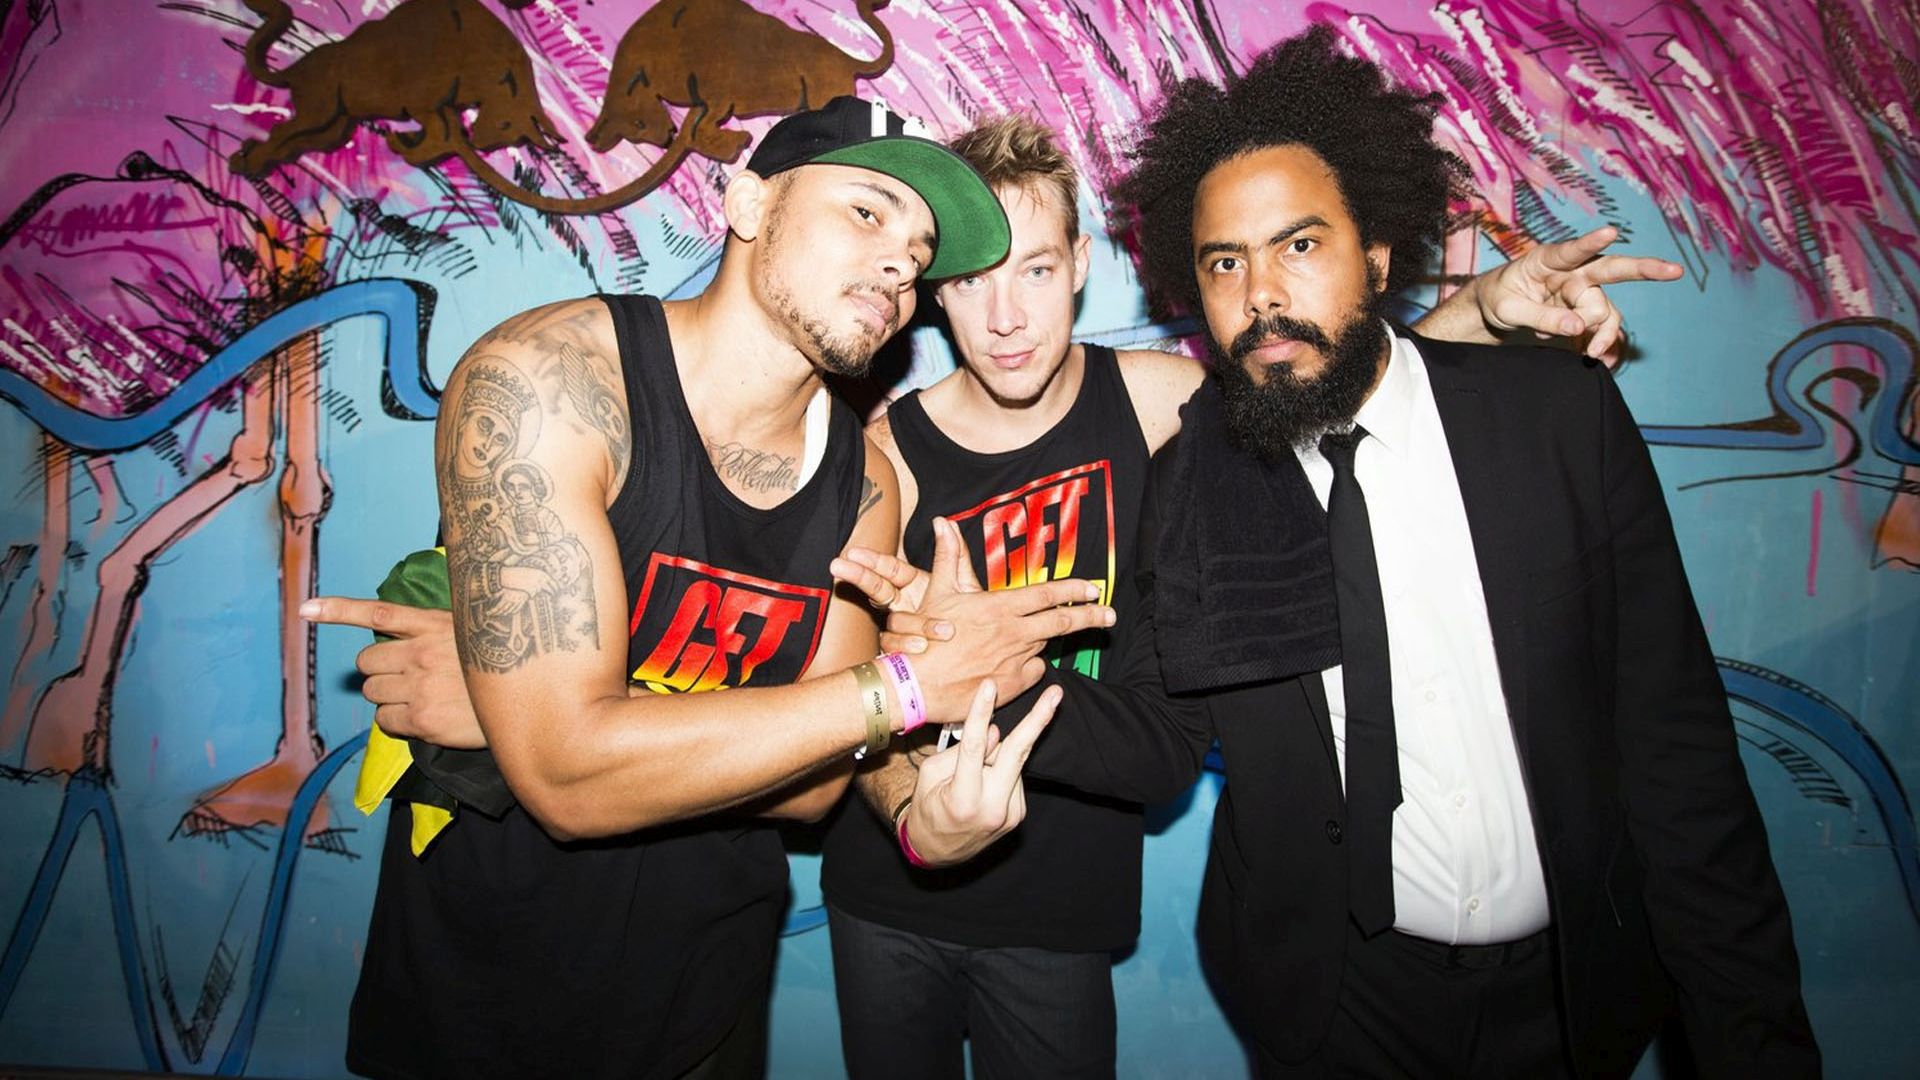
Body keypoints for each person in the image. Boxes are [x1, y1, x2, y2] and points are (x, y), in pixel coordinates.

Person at [818, 114, 1689, 1080]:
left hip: (1063, 899)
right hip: (892, 892)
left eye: (1034, 269)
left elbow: (1317, 378)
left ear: (1079, 266)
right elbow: (850, 697)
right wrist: (914, 818)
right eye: (972, 281)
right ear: (937, 291)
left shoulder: (1159, 401)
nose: (1006, 317)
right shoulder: (887, 455)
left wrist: (1478, 313)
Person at [307, 95, 1118, 1080]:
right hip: (478, 989)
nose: (902, 265)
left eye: (919, 249)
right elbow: (568, 779)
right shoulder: (550, 380)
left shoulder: (865, 485)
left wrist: (525, 702)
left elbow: (815, 787)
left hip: (706, 1002)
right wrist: (897, 691)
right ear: (749, 203)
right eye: (867, 212)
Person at [1098, 27, 1818, 1076]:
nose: (1261, 294)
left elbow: (1678, 753)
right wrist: (954, 688)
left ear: (1377, 254)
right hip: (1335, 1007)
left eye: (1299, 246)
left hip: (1569, 993)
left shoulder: (1556, 419)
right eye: (1225, 261)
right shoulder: (1196, 481)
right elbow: (1153, 732)